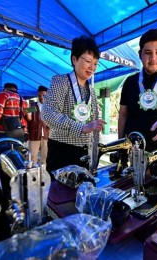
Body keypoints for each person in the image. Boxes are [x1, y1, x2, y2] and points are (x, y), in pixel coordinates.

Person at [41, 35, 105, 175]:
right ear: (74, 59)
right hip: (62, 151)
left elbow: (93, 125)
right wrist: (82, 128)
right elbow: (48, 113)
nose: (92, 67)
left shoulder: (92, 91)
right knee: (61, 195)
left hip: (85, 153)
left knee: (83, 193)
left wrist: (96, 151)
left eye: (95, 63)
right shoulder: (61, 81)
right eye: (88, 61)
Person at [27, 85, 49, 166]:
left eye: (43, 95)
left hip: (47, 134)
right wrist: (26, 112)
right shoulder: (33, 105)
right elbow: (28, 118)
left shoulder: (49, 107)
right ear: (37, 95)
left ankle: (44, 174)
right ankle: (32, 174)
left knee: (45, 156)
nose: (41, 97)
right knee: (32, 156)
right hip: (34, 133)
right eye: (39, 95)